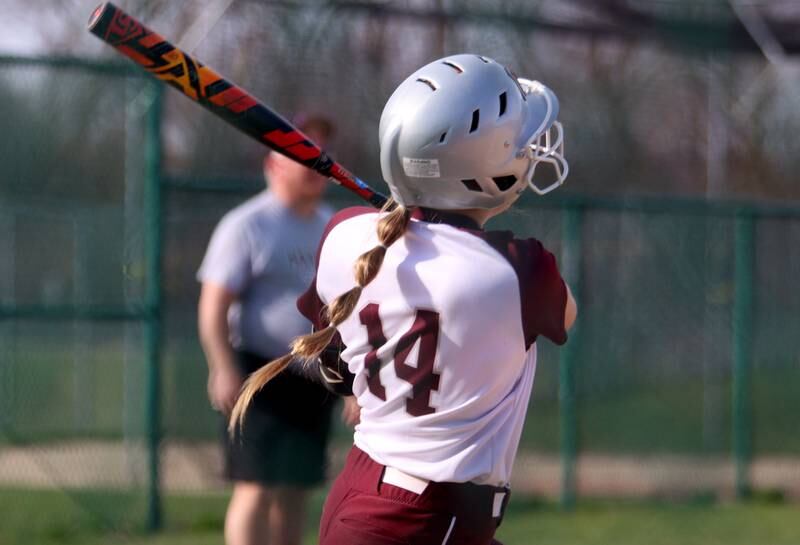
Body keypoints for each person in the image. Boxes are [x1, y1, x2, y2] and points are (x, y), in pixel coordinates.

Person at [230, 54, 578, 545]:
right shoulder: (522, 269)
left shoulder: (345, 235)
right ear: (484, 167)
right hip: (426, 519)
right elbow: (567, 314)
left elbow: (339, 369)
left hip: (366, 495)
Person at [197, 114, 357, 545]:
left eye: (321, 156)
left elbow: (346, 314)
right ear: (274, 164)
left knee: (295, 491)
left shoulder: (334, 229)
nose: (314, 166)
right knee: (256, 487)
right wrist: (222, 367)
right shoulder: (247, 225)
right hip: (258, 375)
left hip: (312, 379)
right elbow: (213, 308)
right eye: (303, 155)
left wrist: (352, 386)